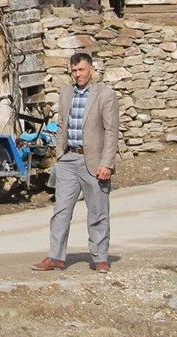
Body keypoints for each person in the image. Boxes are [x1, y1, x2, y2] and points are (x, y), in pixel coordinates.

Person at [33, 51, 120, 273]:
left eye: (81, 70)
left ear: (91, 69)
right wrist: (59, 155)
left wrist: (107, 163)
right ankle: (55, 257)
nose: (77, 74)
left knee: (98, 211)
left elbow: (111, 131)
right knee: (61, 211)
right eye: (74, 71)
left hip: (94, 161)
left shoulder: (105, 94)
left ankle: (100, 258)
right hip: (68, 159)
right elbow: (62, 124)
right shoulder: (66, 92)